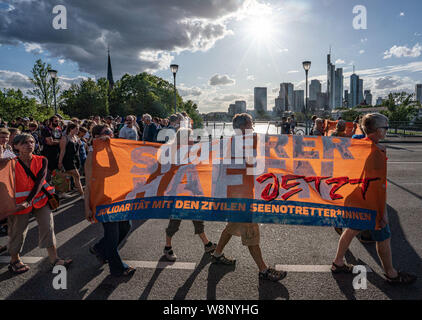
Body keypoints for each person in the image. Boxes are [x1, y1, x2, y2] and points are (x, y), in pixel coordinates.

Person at [331, 113, 417, 285]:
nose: (387, 130)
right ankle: (391, 274)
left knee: (352, 229)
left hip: (356, 198)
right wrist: (382, 212)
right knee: (383, 236)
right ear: (378, 130)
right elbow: (378, 187)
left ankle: (338, 262)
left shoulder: (357, 145)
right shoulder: (375, 152)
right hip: (371, 203)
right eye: (385, 127)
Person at [211, 113, 287, 282]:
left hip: (235, 193)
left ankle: (216, 254)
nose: (252, 127)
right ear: (244, 126)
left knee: (232, 226)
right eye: (251, 124)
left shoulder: (230, 142)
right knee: (251, 231)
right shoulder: (247, 143)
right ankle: (263, 270)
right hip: (242, 195)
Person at [6, 133, 72, 274]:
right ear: (16, 146)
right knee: (18, 231)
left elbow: (39, 181)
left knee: (48, 227)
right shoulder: (10, 163)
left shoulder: (42, 160)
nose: (29, 144)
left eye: (31, 141)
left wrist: (28, 201)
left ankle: (54, 259)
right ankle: (14, 260)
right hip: (18, 204)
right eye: (24, 142)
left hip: (40, 200)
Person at [84, 124, 135, 277]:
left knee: (126, 226)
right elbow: (88, 185)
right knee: (112, 235)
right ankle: (118, 268)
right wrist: (87, 207)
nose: (110, 134)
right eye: (106, 132)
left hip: (118, 198)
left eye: (111, 131)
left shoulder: (115, 151)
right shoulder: (92, 157)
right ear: (96, 137)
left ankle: (100, 248)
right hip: (103, 201)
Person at [163, 128, 216, 261]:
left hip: (192, 191)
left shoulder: (193, 150)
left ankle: (207, 244)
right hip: (180, 193)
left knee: (198, 218)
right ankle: (167, 247)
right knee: (175, 222)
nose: (193, 139)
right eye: (190, 137)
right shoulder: (174, 153)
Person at [58, 122, 84, 197]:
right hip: (68, 159)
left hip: (76, 159)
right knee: (77, 176)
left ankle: (62, 192)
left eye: (78, 129)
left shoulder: (76, 137)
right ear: (70, 129)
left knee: (68, 175)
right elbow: (62, 151)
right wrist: (60, 162)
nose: (78, 130)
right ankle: (82, 194)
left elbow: (77, 149)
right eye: (76, 129)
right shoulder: (65, 138)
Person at [41, 116, 62, 181]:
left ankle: (56, 188)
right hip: (48, 154)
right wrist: (60, 142)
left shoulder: (59, 130)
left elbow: (55, 141)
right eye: (56, 121)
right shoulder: (46, 130)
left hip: (57, 153)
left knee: (57, 172)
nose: (58, 122)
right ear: (51, 122)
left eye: (58, 121)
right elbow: (50, 142)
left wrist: (56, 141)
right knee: (48, 172)